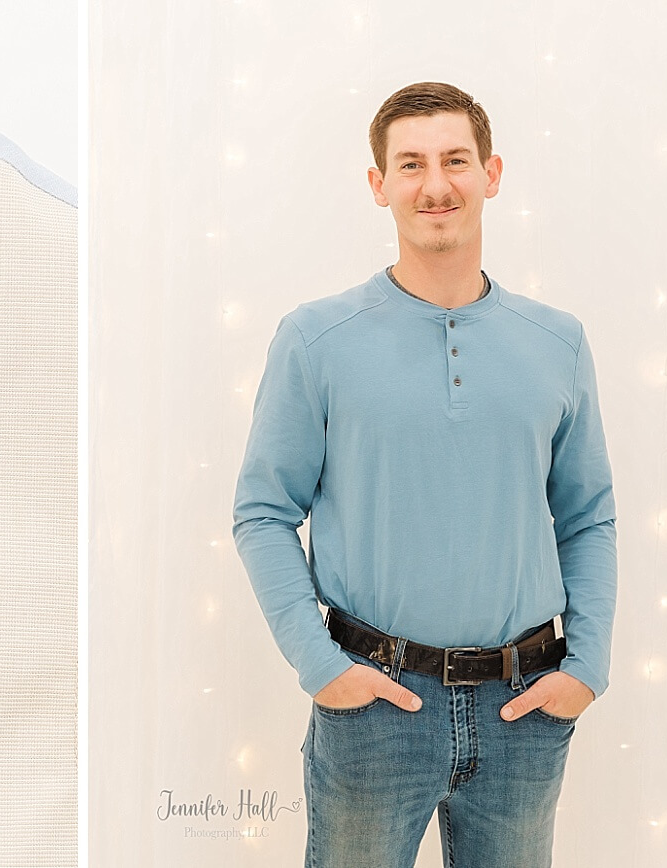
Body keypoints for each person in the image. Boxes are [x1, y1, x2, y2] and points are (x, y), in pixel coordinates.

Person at [232, 81, 617, 867]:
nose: (435, 185)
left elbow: (588, 517)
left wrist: (588, 667)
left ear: (491, 173)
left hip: (526, 708)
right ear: (379, 185)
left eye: (455, 161)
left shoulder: (558, 343)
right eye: (410, 164)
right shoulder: (316, 339)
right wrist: (321, 666)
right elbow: (263, 512)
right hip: (375, 705)